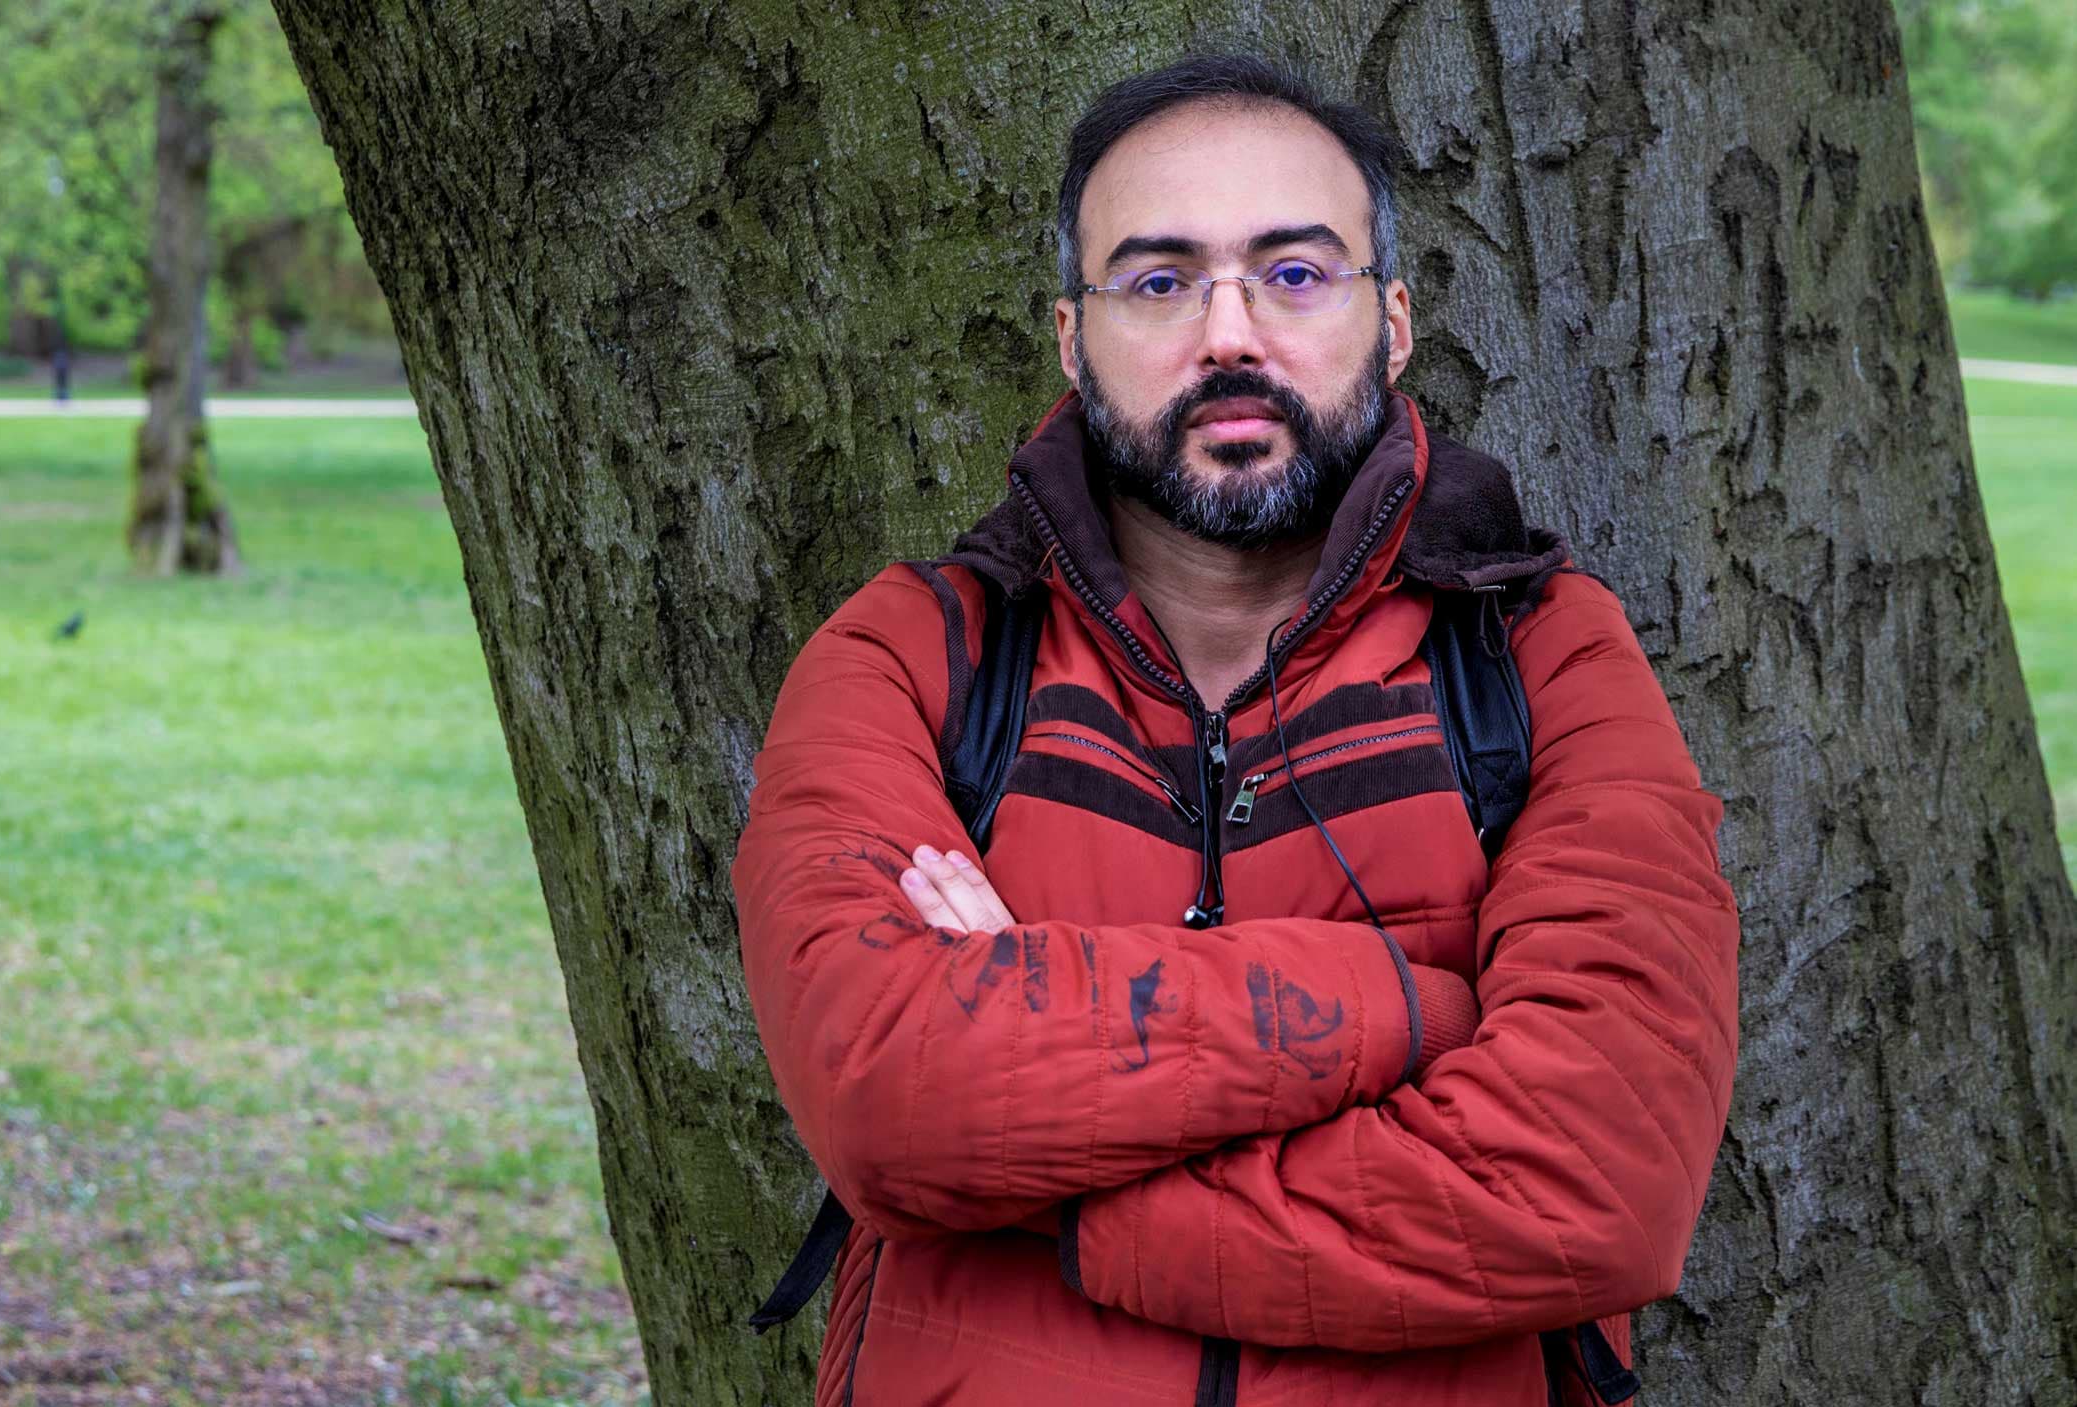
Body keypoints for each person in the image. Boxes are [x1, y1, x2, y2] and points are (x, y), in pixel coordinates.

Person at [731, 53, 1741, 1407]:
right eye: (1157, 281)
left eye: (1295, 273)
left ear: (1390, 323)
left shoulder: (1545, 660)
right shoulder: (914, 657)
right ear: (1071, 337)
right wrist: (1416, 1013)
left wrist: (1055, 1180)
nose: (1229, 335)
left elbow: (1596, 1186)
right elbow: (889, 1103)